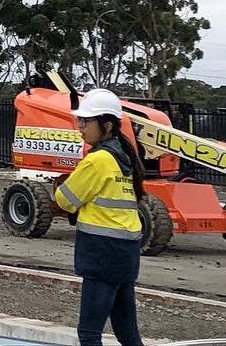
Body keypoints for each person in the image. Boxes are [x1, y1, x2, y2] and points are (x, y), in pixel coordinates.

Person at [54, 88, 146, 346]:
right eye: (79, 121)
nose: (80, 127)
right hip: (125, 254)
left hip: (102, 254)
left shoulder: (98, 160)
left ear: (106, 125)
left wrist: (61, 187)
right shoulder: (124, 157)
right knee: (127, 333)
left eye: (86, 121)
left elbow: (65, 200)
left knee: (89, 333)